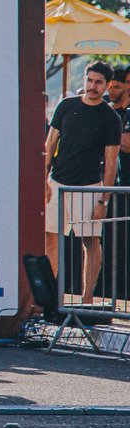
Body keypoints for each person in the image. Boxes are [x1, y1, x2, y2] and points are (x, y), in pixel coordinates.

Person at [44, 60, 122, 305]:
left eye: (98, 82)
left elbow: (111, 163)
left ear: (107, 85)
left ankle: (87, 299)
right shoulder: (66, 105)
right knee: (51, 238)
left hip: (88, 186)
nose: (92, 86)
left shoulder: (110, 118)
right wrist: (43, 179)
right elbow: (49, 145)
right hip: (56, 182)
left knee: (90, 242)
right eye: (89, 80)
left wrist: (103, 200)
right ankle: (48, 298)